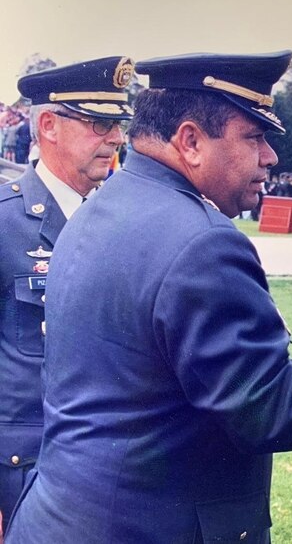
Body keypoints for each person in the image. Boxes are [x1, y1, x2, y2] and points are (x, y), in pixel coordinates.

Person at [4, 53, 292, 544]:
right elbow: (268, 407)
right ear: (190, 141)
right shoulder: (200, 240)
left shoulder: (99, 209)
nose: (269, 156)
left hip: (62, 519)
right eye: (254, 137)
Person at [0, 56, 134, 537]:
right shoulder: (4, 222)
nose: (117, 137)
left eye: (119, 124)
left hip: (110, 477)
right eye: (101, 123)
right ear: (50, 126)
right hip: (23, 475)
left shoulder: (125, 222)